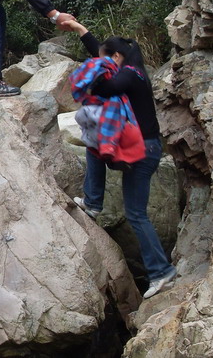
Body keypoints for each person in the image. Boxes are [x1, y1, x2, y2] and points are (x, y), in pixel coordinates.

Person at [64, 18, 177, 299]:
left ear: (116, 57)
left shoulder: (132, 74)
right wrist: (81, 31)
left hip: (144, 151)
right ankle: (92, 203)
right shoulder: (127, 70)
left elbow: (109, 87)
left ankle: (161, 271)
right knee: (94, 146)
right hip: (138, 146)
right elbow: (102, 61)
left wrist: (91, 80)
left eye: (105, 60)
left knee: (136, 214)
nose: (100, 64)